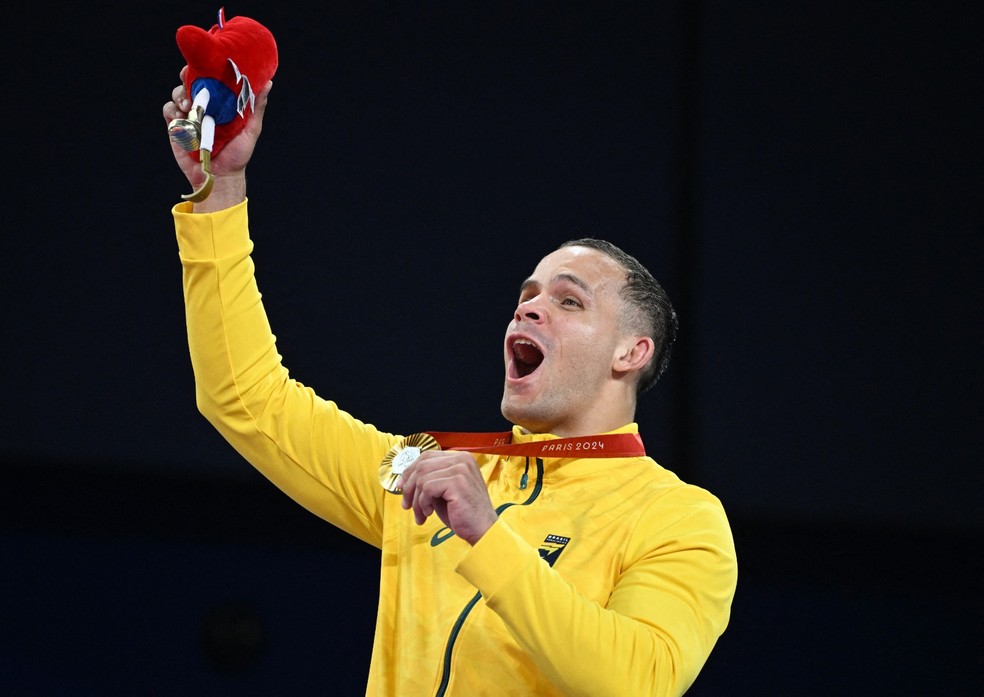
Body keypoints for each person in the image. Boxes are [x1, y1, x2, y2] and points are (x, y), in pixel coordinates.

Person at [163, 66, 737, 696]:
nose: (528, 308)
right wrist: (220, 194)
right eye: (527, 296)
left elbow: (636, 682)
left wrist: (488, 536)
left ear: (631, 351)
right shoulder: (426, 471)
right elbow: (245, 399)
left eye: (569, 302)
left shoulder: (678, 519)